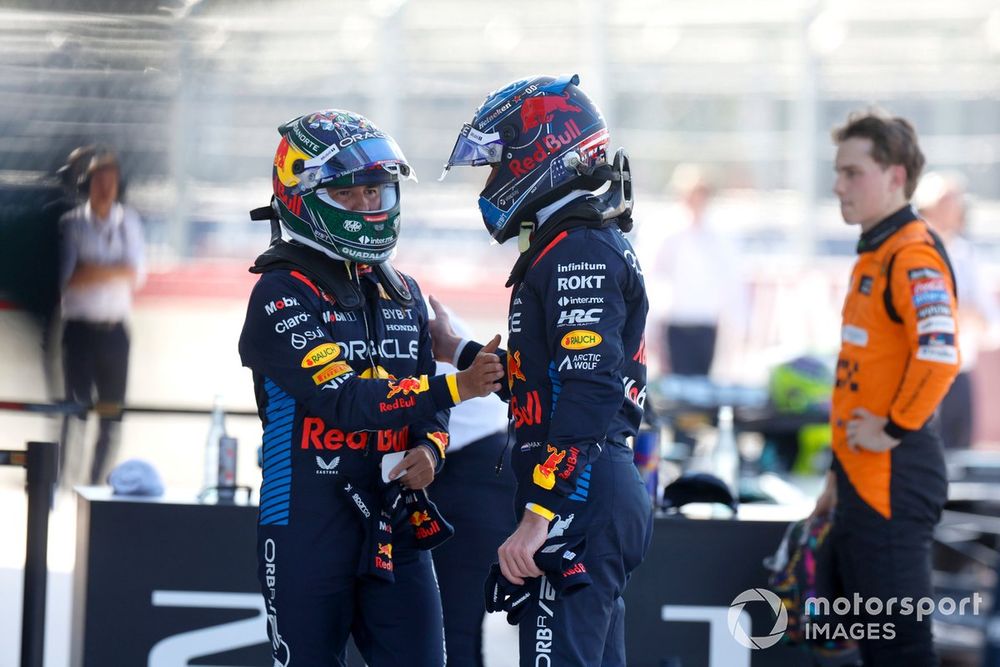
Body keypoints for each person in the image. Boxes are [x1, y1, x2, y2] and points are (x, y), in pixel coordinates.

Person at [237, 109, 503, 667]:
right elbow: (348, 401)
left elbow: (422, 395)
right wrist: (459, 389)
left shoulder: (405, 291)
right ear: (303, 195)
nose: (369, 207)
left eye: (378, 192)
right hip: (306, 526)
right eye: (351, 194)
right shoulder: (280, 294)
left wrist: (431, 447)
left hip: (396, 522)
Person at [435, 74, 653, 666]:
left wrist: (540, 517)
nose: (491, 179)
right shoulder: (574, 240)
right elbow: (554, 379)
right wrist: (460, 351)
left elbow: (588, 391)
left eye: (497, 162)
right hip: (592, 489)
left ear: (542, 151)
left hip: (579, 495)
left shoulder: (577, 248)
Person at [812, 110, 960, 666]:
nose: (838, 185)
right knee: (875, 649)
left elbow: (941, 356)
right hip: (862, 478)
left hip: (894, 477)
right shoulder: (877, 249)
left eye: (853, 173)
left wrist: (893, 427)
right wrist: (836, 471)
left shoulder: (911, 253)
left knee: (899, 649)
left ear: (895, 176)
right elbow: (862, 377)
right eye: (837, 172)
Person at [425, 301, 516, 667]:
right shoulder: (412, 303)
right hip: (485, 461)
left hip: (471, 469)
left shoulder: (403, 313)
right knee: (455, 628)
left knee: (453, 628)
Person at [58, 146, 145, 486]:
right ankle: (62, 482)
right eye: (98, 180)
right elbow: (68, 278)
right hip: (79, 331)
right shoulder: (72, 224)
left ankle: (95, 484)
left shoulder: (130, 221)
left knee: (112, 416)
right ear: (87, 183)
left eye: (111, 179)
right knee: (73, 412)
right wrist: (115, 270)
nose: (106, 186)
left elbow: (137, 274)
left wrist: (92, 269)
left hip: (115, 331)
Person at [914, 171, 1000, 449]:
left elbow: (986, 318)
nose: (953, 210)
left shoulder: (966, 254)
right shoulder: (912, 251)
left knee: (959, 454)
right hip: (921, 371)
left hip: (959, 369)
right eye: (945, 202)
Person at [648, 164, 744, 376]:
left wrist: (733, 322)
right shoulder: (666, 229)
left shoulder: (718, 233)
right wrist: (652, 325)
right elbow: (653, 277)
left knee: (702, 384)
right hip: (674, 321)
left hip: (706, 321)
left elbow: (729, 280)